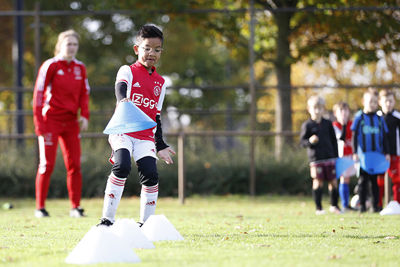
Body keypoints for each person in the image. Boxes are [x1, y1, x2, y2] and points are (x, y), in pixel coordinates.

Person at [97, 24, 175, 227]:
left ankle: (146, 225)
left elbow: (156, 116)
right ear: (136, 49)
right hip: (123, 131)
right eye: (147, 48)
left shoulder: (161, 83)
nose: (152, 53)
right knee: (122, 165)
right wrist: (123, 100)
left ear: (161, 52)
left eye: (157, 50)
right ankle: (107, 220)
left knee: (150, 173)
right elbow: (120, 87)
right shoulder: (128, 70)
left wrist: (161, 145)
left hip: (145, 136)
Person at [33, 29, 90, 218]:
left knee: (75, 165)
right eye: (68, 44)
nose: (72, 47)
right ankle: (40, 208)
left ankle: (75, 207)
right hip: (50, 121)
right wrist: (39, 123)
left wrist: (85, 115)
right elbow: (38, 94)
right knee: (46, 165)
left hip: (71, 122)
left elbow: (84, 93)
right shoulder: (50, 66)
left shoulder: (80, 67)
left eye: (75, 44)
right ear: (60, 46)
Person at [300, 96, 340, 215]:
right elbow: (302, 142)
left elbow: (334, 141)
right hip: (316, 159)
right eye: (315, 108)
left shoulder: (328, 124)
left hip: (330, 158)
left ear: (323, 109)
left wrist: (336, 156)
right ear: (309, 109)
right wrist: (310, 141)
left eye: (320, 108)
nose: (317, 111)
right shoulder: (307, 125)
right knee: (318, 182)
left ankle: (334, 206)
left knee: (333, 182)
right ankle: (319, 208)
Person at [351, 89, 389, 212]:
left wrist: (386, 153)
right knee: (363, 181)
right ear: (363, 102)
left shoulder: (379, 119)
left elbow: (385, 137)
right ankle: (362, 205)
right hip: (363, 157)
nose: (372, 104)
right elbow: (354, 136)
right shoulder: (359, 118)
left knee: (375, 182)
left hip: (376, 157)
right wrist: (355, 152)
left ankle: (376, 206)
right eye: (369, 102)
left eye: (374, 102)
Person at [378, 89, 400, 204]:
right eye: (386, 101)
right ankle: (378, 204)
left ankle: (397, 203)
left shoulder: (397, 117)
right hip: (379, 154)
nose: (388, 104)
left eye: (391, 101)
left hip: (394, 154)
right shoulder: (376, 117)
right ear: (380, 102)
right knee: (380, 180)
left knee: (397, 179)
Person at [332, 102, 354, 212]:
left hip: (350, 155)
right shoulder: (335, 126)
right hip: (341, 156)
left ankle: (347, 204)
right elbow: (341, 138)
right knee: (343, 178)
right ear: (335, 113)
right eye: (341, 111)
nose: (344, 113)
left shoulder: (352, 124)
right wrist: (344, 125)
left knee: (347, 179)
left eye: (346, 110)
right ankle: (344, 204)